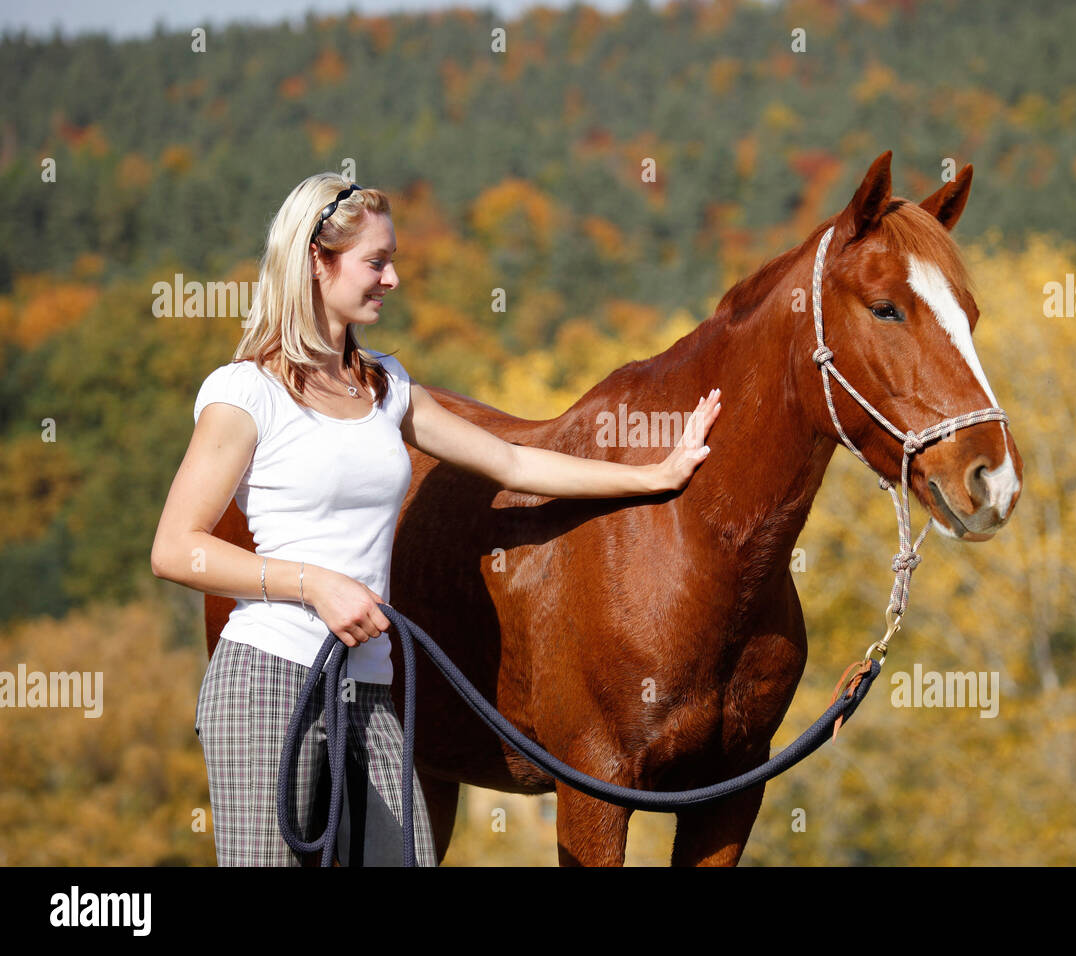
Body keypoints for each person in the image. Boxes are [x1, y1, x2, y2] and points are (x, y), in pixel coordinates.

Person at [151, 173, 722, 866]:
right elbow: (177, 550)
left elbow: (516, 466)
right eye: (375, 262)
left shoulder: (385, 386)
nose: (391, 278)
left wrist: (655, 476)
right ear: (314, 262)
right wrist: (314, 585)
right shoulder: (246, 392)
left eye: (393, 261)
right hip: (268, 684)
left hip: (371, 687)